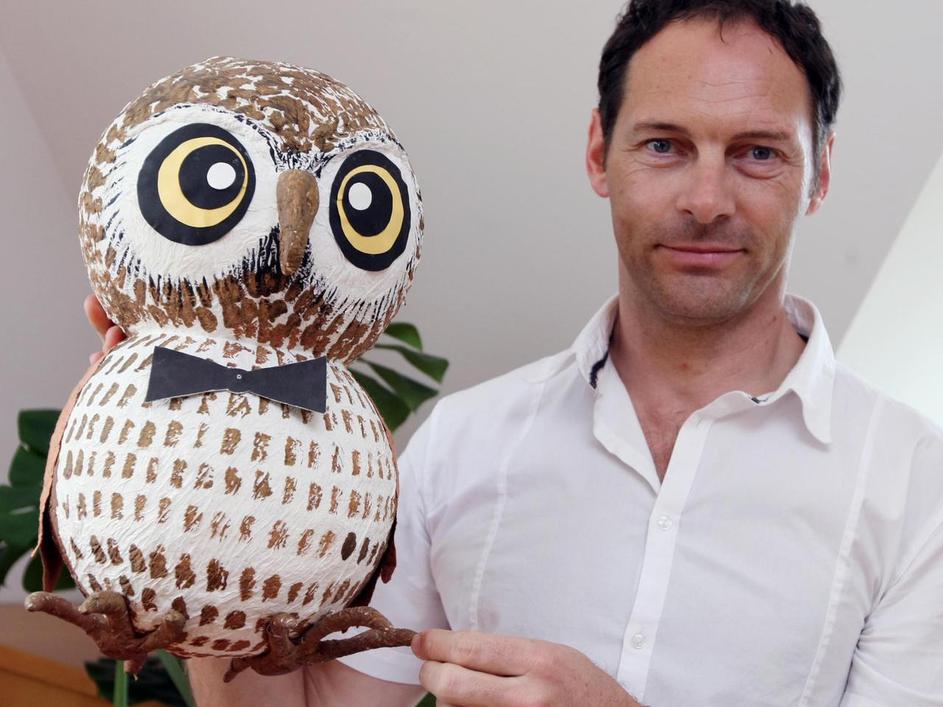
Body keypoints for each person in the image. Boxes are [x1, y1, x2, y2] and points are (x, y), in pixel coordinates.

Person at [84, 1, 943, 705]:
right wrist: (203, 523)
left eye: (757, 153)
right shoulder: (461, 442)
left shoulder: (915, 485)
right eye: (664, 145)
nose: (706, 199)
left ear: (819, 173)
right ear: (599, 153)